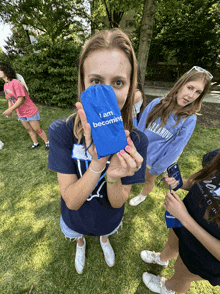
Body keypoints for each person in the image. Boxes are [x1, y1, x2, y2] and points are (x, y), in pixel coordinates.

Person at [48, 29, 148, 274]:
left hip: (108, 219)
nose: (107, 95)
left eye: (118, 82)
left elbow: (117, 202)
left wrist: (113, 175)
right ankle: (80, 243)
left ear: (130, 88)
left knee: (105, 232)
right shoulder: (61, 132)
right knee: (78, 234)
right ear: (82, 83)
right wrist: (98, 162)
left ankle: (104, 240)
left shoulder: (136, 142)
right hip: (75, 219)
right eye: (95, 81)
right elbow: (71, 200)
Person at [129, 66, 213, 206]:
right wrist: (133, 149)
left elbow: (176, 148)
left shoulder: (189, 119)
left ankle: (142, 195)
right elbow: (140, 128)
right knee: (131, 173)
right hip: (139, 152)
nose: (191, 95)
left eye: (198, 92)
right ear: (180, 85)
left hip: (154, 161)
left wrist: (158, 167)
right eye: (190, 88)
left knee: (148, 180)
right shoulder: (157, 103)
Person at [140, 149, 220, 293]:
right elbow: (197, 182)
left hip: (203, 252)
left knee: (181, 275)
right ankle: (162, 258)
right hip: (181, 216)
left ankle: (168, 288)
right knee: (171, 245)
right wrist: (178, 183)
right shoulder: (218, 155)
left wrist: (185, 218)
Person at [0, 62, 49, 150]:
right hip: (21, 113)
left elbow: (21, 99)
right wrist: (9, 110)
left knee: (37, 129)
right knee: (29, 129)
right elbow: (9, 99)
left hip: (29, 110)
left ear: (6, 71)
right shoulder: (5, 85)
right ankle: (36, 143)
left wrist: (10, 110)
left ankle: (47, 143)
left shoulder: (15, 83)